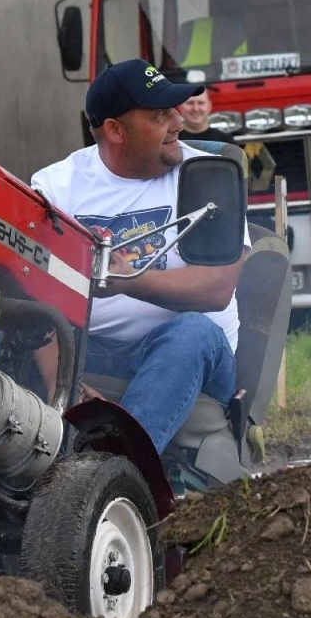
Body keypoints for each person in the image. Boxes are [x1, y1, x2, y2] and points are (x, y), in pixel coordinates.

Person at [30, 60, 245, 460]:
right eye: (160, 115)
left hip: (187, 352)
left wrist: (126, 279)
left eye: (175, 110)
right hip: (84, 345)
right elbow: (32, 289)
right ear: (114, 129)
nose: (178, 123)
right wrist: (62, 381)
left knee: (191, 334)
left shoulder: (210, 176)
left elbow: (217, 289)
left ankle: (116, 468)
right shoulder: (55, 186)